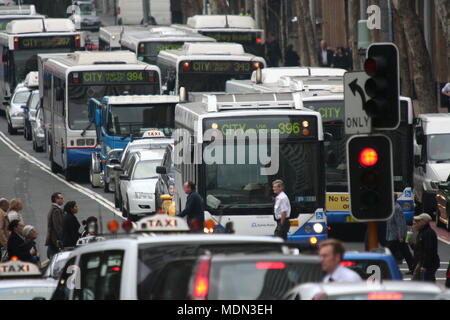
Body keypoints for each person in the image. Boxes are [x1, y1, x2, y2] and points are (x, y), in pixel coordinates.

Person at [386, 196, 415, 274]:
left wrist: (401, 236)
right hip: (394, 235)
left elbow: (400, 223)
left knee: (388, 252)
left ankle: (385, 269)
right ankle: (413, 268)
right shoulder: (392, 208)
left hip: (396, 236)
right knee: (405, 252)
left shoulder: (396, 208)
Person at [410, 213, 440, 282]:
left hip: (428, 263)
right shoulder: (422, 232)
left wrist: (425, 266)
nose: (415, 222)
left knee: (427, 281)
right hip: (422, 262)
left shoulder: (428, 233)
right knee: (421, 281)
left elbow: (429, 251)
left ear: (424, 222)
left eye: (418, 221)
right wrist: (411, 243)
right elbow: (418, 249)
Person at [45, 192, 65, 259]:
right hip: (55, 239)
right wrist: (62, 238)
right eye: (61, 198)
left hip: (53, 239)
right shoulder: (56, 210)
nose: (63, 200)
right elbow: (58, 226)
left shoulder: (54, 209)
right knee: (54, 257)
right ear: (56, 199)